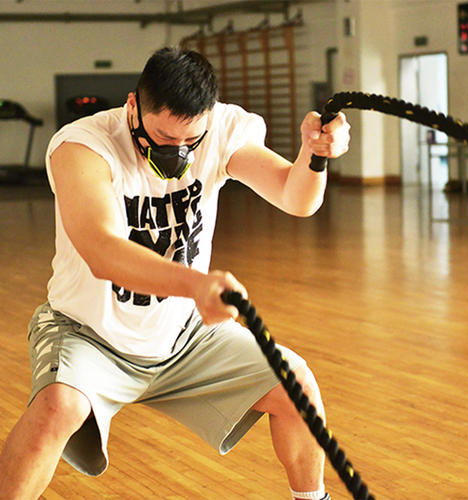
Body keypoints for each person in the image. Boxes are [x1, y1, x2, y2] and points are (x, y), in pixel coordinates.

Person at [0, 46, 350, 500]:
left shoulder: (223, 129)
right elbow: (101, 250)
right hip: (88, 332)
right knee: (57, 407)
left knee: (295, 384)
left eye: (189, 140)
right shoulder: (82, 146)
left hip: (183, 333)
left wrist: (314, 155)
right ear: (132, 108)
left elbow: (295, 197)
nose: (176, 151)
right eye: (162, 137)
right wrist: (196, 284)